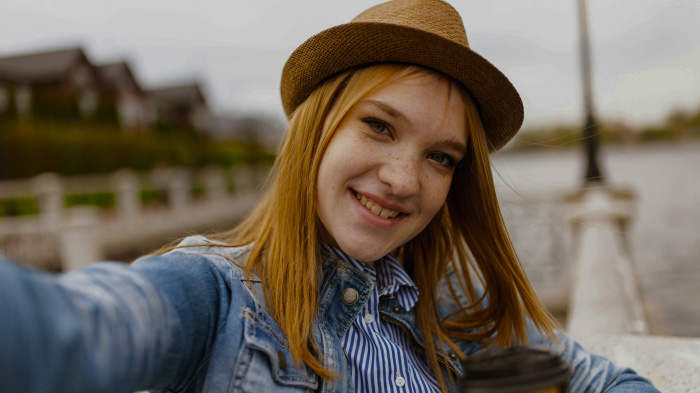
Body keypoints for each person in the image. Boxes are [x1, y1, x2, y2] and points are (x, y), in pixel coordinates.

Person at [0, 0, 659, 392]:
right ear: (318, 130)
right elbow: (70, 331)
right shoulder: (216, 301)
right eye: (379, 125)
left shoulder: (452, 307)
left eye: (440, 156)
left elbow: (603, 378)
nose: (404, 178)